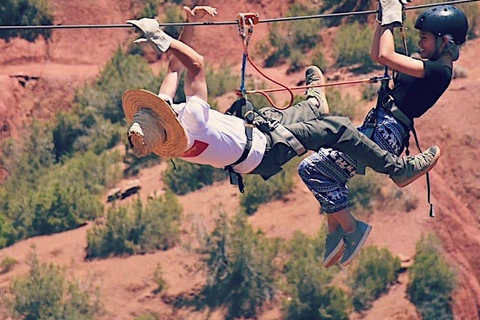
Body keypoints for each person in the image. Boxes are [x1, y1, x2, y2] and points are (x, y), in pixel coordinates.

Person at [123, 6, 441, 209]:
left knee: (278, 118)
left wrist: (191, 24)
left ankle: (314, 103)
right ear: (163, 120)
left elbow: (174, 69)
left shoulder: (172, 130)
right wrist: (160, 37)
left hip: (257, 139)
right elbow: (196, 66)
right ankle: (397, 169)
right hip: (265, 150)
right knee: (335, 129)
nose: (161, 103)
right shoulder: (192, 122)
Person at [298, 2, 468, 267]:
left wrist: (391, 15)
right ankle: (335, 233)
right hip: (380, 128)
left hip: (385, 133)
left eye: (424, 38)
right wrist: (383, 19)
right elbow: (379, 55)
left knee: (310, 168)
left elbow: (387, 56)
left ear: (444, 41)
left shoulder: (439, 72)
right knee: (329, 173)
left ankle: (352, 229)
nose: (420, 42)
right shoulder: (427, 65)